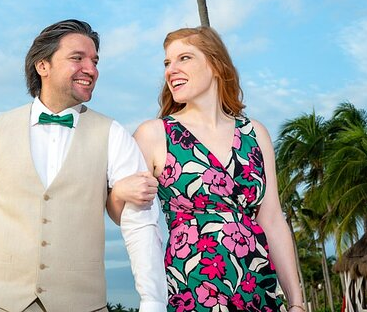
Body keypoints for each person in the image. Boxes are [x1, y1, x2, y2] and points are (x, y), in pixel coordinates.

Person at [0, 19, 166, 312]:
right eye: (77, 58)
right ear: (43, 66)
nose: (91, 69)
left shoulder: (113, 134)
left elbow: (139, 223)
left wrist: (153, 301)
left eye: (94, 61)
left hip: (82, 305)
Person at [108, 26, 304, 312]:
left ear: (215, 64)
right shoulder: (154, 134)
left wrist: (296, 303)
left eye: (183, 58)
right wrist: (120, 192)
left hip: (257, 285)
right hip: (193, 285)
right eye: (167, 62)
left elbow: (272, 219)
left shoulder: (255, 133)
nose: (170, 70)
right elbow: (122, 214)